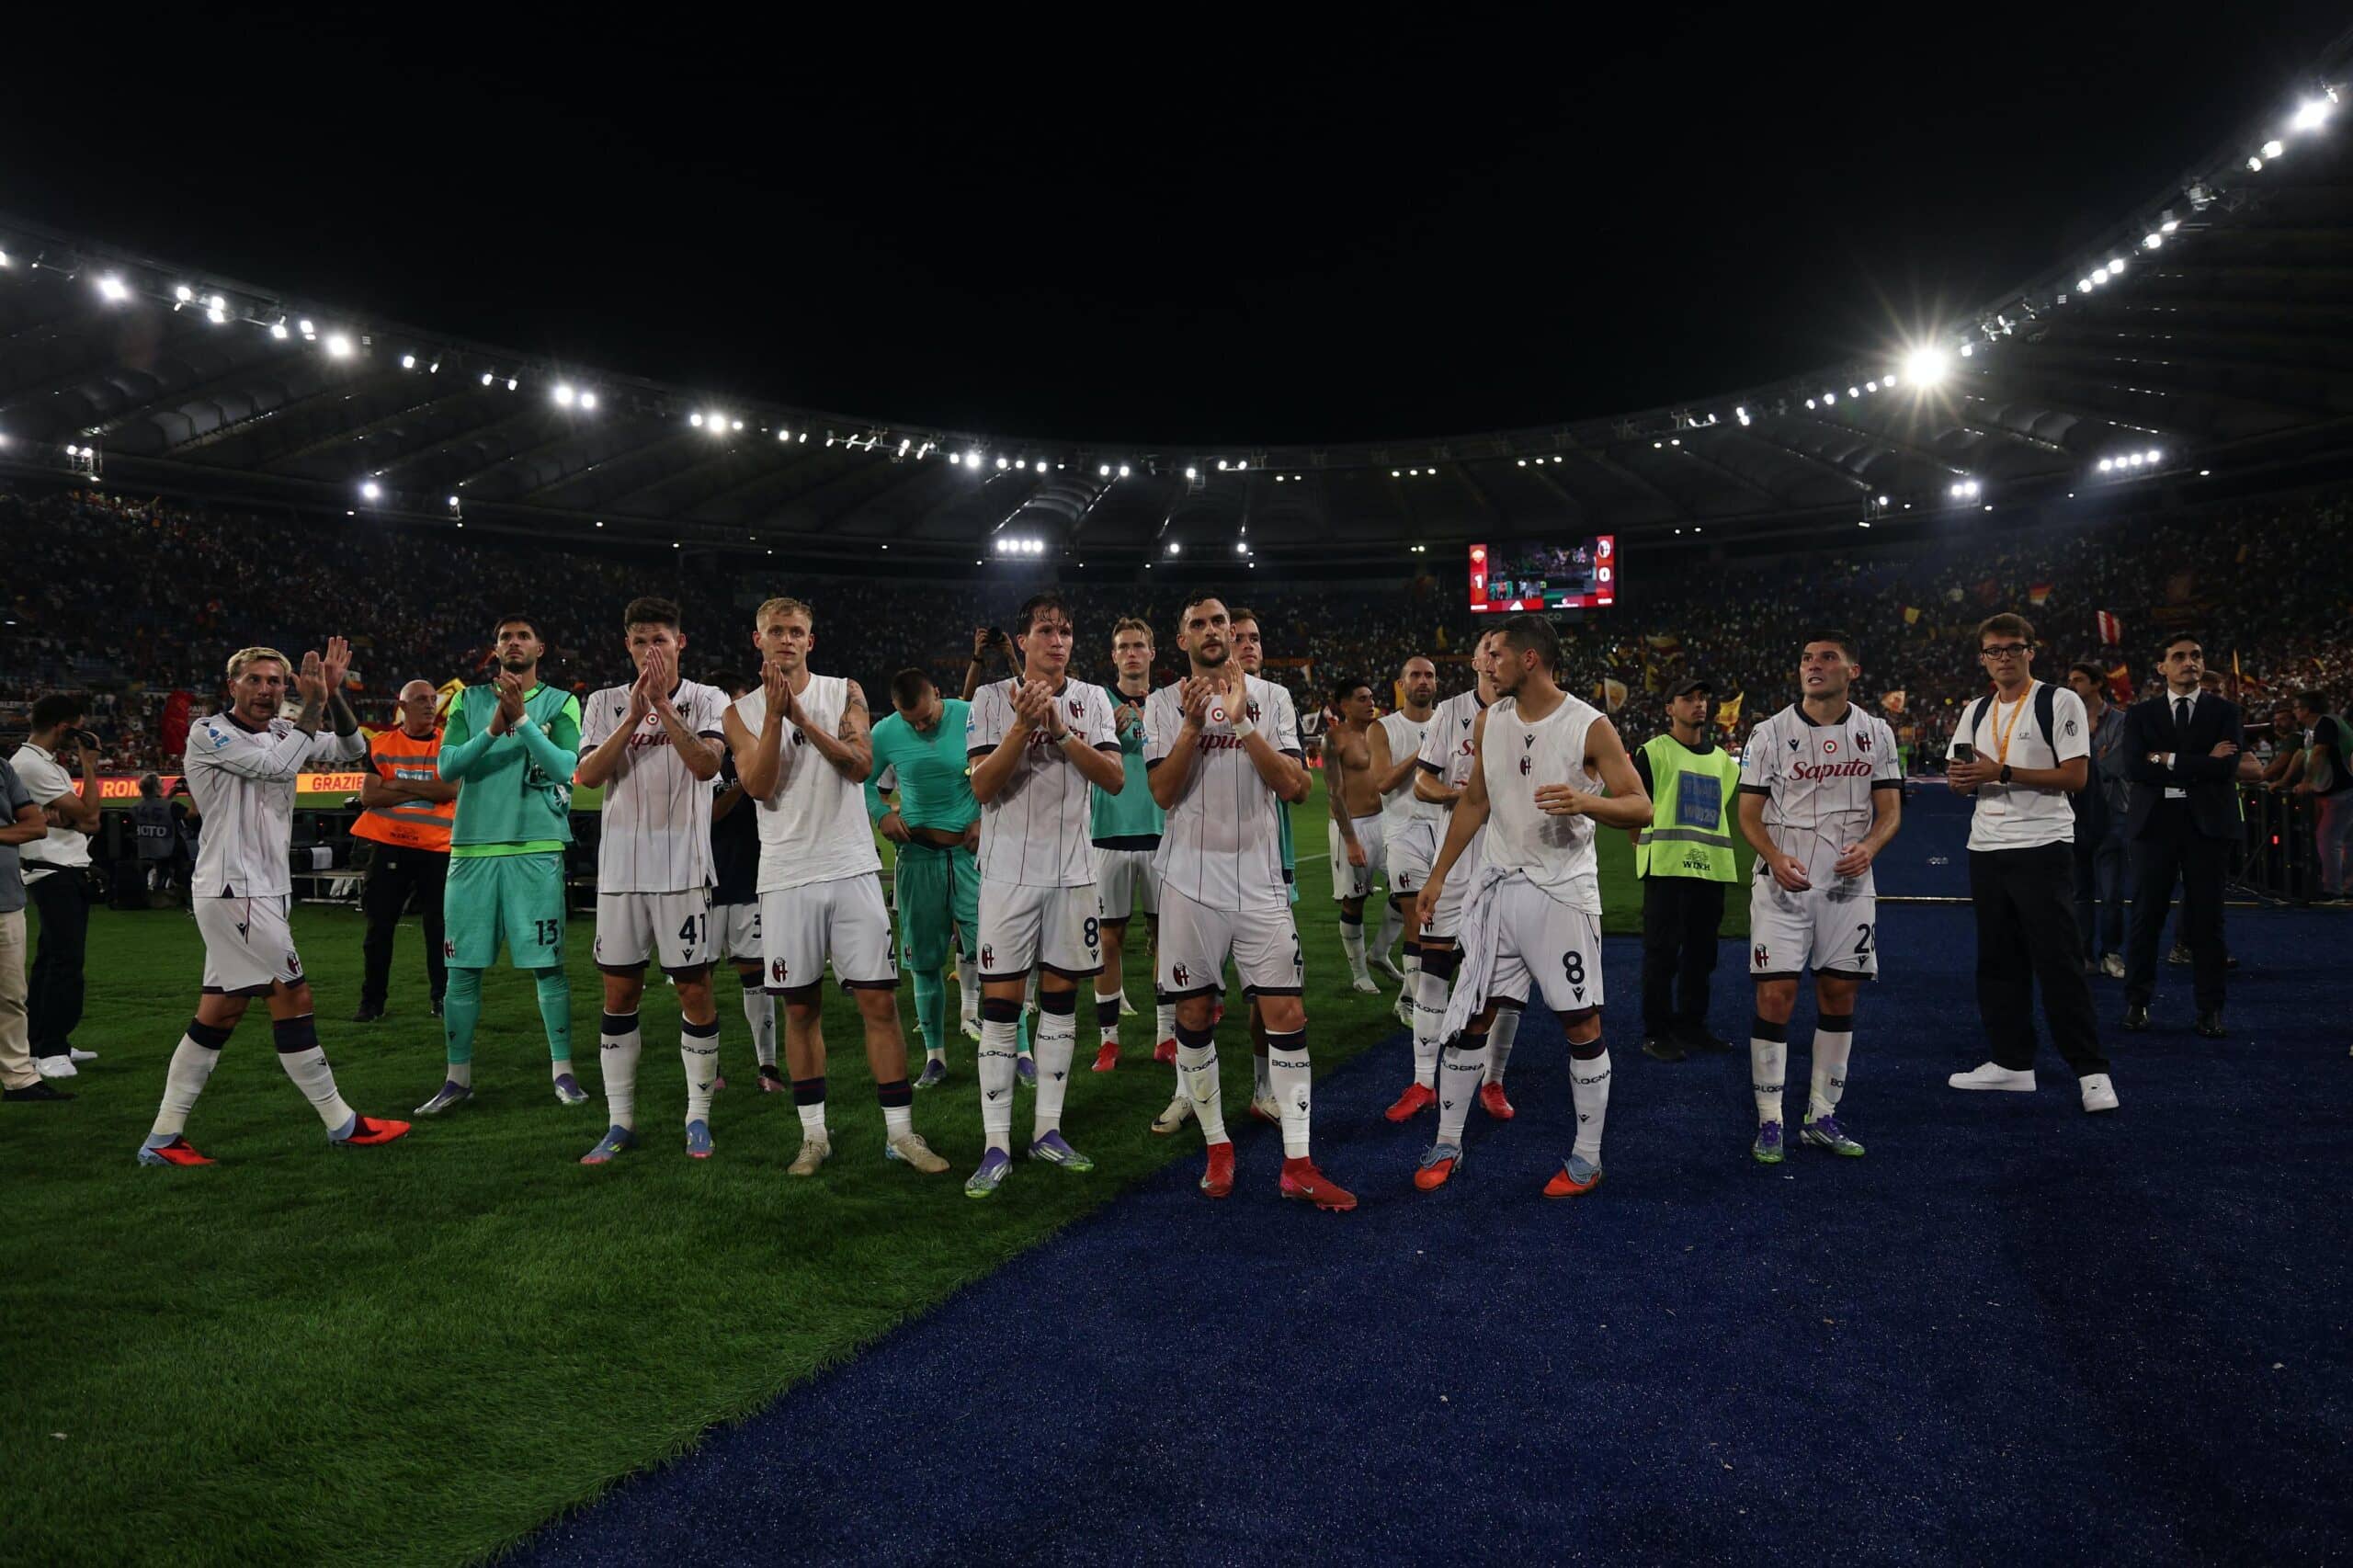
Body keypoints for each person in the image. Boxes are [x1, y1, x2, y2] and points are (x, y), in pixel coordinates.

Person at [136, 641, 410, 1165]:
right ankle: (342, 1122)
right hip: (235, 889)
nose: (266, 690)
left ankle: (164, 1137)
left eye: (276, 681)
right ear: (232, 685)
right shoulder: (210, 732)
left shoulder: (288, 728)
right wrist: (309, 708)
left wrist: (331, 696)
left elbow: (354, 749)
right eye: (255, 680)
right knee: (293, 996)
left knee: (220, 1010)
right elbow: (272, 769)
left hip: (264, 890)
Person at [1418, 613, 1651, 1195]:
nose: (1486, 662)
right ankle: (1447, 1142)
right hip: (1499, 889)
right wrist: (1439, 875)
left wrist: (1582, 802)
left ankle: (1587, 1157)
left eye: (1496, 653)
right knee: (1472, 1018)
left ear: (1529, 660)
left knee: (1580, 1023)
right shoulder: (1489, 720)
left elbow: (1640, 807)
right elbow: (1475, 799)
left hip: (1561, 896)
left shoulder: (1588, 726)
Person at [723, 596, 948, 1177]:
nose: (787, 639)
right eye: (776, 630)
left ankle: (900, 1132)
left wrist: (800, 718)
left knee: (879, 1002)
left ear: (810, 641)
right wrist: (775, 715)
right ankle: (813, 1136)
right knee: (800, 1009)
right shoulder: (740, 713)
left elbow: (858, 765)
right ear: (759, 640)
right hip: (786, 876)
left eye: (796, 631)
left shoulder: (843, 691)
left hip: (851, 868)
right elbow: (757, 784)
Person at [1147, 594, 1352, 1210]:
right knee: (1193, 1014)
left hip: (1261, 884)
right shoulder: (1162, 705)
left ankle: (1298, 1162)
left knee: (1286, 1015)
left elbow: (1295, 786)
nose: (1213, 631)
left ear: (1233, 635)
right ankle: (1216, 1143)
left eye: (1220, 622)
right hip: (1189, 885)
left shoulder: (1274, 698)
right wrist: (1192, 724)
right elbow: (1162, 791)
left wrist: (1240, 722)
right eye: (1198, 624)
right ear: (1181, 639)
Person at [962, 590, 1126, 1196]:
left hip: (1074, 874)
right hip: (1007, 874)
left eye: (1064, 631)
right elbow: (982, 787)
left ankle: (1048, 1130)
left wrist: (1059, 732)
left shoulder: (1092, 700)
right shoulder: (986, 699)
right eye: (1044, 630)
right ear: (1024, 642)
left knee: (1060, 1004)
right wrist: (1023, 728)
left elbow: (1113, 777)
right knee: (1002, 1008)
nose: (1056, 640)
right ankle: (996, 1143)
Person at [575, 597, 732, 1164]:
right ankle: (620, 1123)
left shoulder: (707, 699)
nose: (650, 651)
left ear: (680, 643)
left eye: (660, 640)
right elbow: (590, 776)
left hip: (685, 870)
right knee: (620, 994)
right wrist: (632, 713)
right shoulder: (602, 702)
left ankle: (697, 1116)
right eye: (641, 641)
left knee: (695, 991)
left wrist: (663, 707)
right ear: (627, 645)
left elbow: (708, 766)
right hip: (620, 874)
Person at [1734, 638, 1903, 1162]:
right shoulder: (1768, 733)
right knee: (1775, 996)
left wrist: (1871, 847)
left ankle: (1821, 1115)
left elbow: (1891, 811)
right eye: (1806, 658)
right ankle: (1769, 1120)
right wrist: (1775, 857)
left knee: (1839, 997)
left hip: (1849, 887)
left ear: (1852, 670)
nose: (1814, 665)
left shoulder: (1876, 733)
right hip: (1783, 885)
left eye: (1826, 658)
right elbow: (1747, 815)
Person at [1944, 613, 2118, 1113]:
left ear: (2030, 651)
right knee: (1998, 961)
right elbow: (1962, 776)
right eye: (1993, 650)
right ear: (1982, 658)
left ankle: (2091, 1071)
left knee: (2059, 960)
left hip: (2042, 844)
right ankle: (2012, 1063)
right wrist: (1963, 781)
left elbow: (2076, 777)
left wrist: (2001, 771)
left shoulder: (2057, 700)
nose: (2003, 657)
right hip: (1986, 846)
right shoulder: (1975, 709)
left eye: (2012, 648)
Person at [416, 615, 588, 1115]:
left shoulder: (562, 702)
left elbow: (564, 767)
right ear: (495, 649)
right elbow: (448, 768)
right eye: (505, 638)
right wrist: (495, 726)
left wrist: (523, 721)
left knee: (547, 968)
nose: (514, 643)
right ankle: (456, 1078)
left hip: (536, 848)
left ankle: (563, 1072)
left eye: (522, 636)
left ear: (540, 646)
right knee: (461, 969)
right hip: (472, 849)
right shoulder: (469, 701)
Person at [1388, 631, 1516, 1123]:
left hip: (1509, 861)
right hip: (1458, 858)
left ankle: (1494, 1080)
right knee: (1435, 968)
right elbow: (1421, 781)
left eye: (1506, 647)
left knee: (1502, 982)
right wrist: (1452, 797)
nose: (1496, 654)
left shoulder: (1529, 712)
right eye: (1490, 647)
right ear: (1476, 658)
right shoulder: (1451, 712)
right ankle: (1422, 1081)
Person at [2120, 635, 2242, 1038]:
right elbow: (2135, 768)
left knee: (2208, 922)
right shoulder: (2140, 715)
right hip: (2154, 827)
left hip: (2206, 827)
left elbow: (2226, 770)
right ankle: (2136, 1003)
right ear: (2162, 667)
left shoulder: (2226, 711)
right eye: (2179, 656)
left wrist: (2165, 758)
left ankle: (2210, 1010)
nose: (2190, 662)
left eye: (2197, 655)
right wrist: (2200, 761)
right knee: (2145, 918)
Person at [865, 666, 982, 1089]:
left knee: (994, 956)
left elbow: (1005, 770)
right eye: (910, 720)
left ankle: (1017, 1050)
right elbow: (861, 781)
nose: (919, 726)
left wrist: (986, 818)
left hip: (970, 859)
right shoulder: (885, 732)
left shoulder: (972, 714)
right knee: (923, 964)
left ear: (938, 692)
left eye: (926, 718)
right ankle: (935, 1057)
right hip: (916, 859)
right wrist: (881, 815)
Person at [1629, 676, 1741, 1064]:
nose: (1699, 705)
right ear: (1669, 709)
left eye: (1703, 698)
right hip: (1666, 869)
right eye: (1688, 698)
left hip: (1710, 871)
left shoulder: (1725, 762)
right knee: (1661, 953)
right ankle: (1656, 1032)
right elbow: (1633, 807)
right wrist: (1641, 843)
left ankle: (1691, 1024)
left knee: (1701, 955)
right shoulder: (1653, 752)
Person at [352, 679, 457, 1023]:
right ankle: (372, 1002)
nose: (430, 705)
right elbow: (369, 796)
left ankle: (442, 998)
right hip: (390, 846)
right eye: (421, 700)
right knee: (379, 928)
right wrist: (425, 791)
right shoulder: (381, 743)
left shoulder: (449, 744)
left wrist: (396, 784)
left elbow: (447, 790)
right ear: (403, 705)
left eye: (432, 700)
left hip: (437, 849)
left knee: (439, 929)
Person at [1089, 618, 1166, 1073]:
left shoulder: (1170, 703)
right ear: (1114, 655)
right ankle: (1109, 1040)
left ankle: (1166, 1035)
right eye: (1124, 646)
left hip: (1162, 832)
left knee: (1165, 938)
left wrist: (1149, 729)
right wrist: (1107, 732)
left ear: (1152, 653)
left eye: (1140, 645)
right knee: (1108, 938)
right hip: (1109, 833)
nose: (1132, 652)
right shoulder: (1096, 702)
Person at [12, 695, 101, 1078]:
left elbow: (88, 823)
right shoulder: (31, 765)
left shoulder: (42, 764)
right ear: (65, 727)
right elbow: (90, 813)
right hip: (52, 870)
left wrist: (71, 819)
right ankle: (49, 1050)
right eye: (76, 728)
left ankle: (47, 1042)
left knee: (52, 961)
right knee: (64, 963)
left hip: (60, 869)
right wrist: (89, 764)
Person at [710, 673, 777, 1090]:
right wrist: (741, 783)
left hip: (752, 878)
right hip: (705, 879)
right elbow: (710, 814)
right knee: (699, 978)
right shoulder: (706, 754)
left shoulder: (760, 750)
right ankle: (709, 1069)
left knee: (756, 973)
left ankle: (768, 1066)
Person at [1370, 655, 1438, 1026]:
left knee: (1443, 927)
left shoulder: (1450, 723)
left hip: (1444, 831)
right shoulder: (1382, 729)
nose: (1423, 681)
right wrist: (1422, 751)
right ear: (1402, 684)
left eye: (1429, 675)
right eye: (1415, 674)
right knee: (1417, 920)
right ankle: (1417, 1007)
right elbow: (1382, 782)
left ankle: (1409, 997)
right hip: (1404, 832)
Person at [1, 750, 68, 1102]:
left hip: (7, 900)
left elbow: (35, 825)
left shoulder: (2, 769)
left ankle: (19, 1079)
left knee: (12, 996)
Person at [2064, 662, 2131, 980]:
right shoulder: (2066, 723)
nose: (2071, 685)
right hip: (2075, 814)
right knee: (2079, 891)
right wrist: (2090, 761)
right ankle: (2084, 953)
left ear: (2096, 684)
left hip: (2113, 813)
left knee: (2111, 893)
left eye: (2077, 680)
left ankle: (2111, 952)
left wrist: (2078, 768)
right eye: (2069, 680)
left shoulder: (2121, 721)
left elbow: (2116, 765)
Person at [1323, 677, 1388, 994]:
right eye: (1362, 698)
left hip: (1385, 822)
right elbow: (1334, 794)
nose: (1370, 702)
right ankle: (1360, 973)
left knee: (1411, 888)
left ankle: (1380, 951)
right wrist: (1350, 840)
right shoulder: (1335, 738)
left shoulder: (1382, 733)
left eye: (1371, 696)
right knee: (1354, 902)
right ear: (1344, 705)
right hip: (1353, 826)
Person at [2290, 688, 2353, 902]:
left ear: (2307, 710)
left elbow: (2319, 753)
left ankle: (2332, 889)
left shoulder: (2325, 723)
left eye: (2296, 708)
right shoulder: (2319, 726)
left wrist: (2307, 781)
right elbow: (2302, 754)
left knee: (2328, 837)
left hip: (2341, 789)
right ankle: (2347, 885)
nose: (2294, 712)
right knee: (2347, 839)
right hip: (2342, 788)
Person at [131, 773, 176, 894]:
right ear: (157, 787)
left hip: (142, 851)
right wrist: (191, 792)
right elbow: (192, 813)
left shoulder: (134, 807)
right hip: (165, 852)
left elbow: (153, 807)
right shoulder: (171, 806)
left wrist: (170, 795)